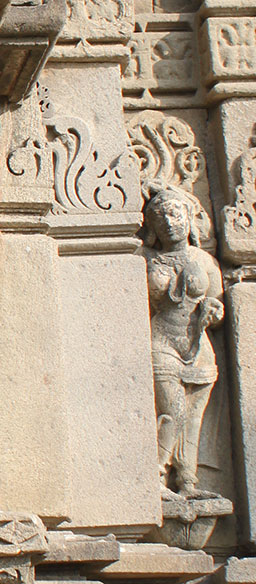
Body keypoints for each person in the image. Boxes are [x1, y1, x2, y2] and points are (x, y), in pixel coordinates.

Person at [142, 186, 225, 499]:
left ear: (189, 218)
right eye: (159, 216)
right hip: (162, 340)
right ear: (151, 227)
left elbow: (216, 302)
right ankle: (158, 474)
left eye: (175, 213)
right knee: (173, 410)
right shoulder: (144, 259)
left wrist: (212, 310)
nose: (168, 221)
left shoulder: (204, 260)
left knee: (193, 418)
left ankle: (188, 481)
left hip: (199, 346)